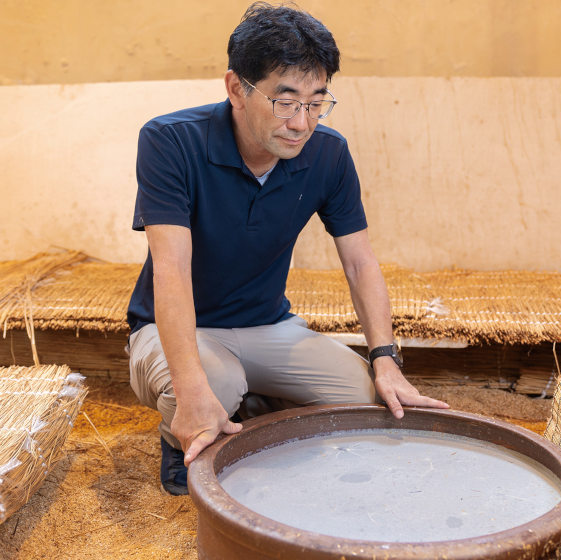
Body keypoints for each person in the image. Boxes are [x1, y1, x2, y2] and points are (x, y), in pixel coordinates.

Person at [126, 2, 448, 495]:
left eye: (317, 102)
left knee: (364, 396)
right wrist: (192, 393)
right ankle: (182, 437)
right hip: (176, 329)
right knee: (212, 385)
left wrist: (386, 358)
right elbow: (171, 270)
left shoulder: (329, 153)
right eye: (286, 100)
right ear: (236, 88)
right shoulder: (170, 141)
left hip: (268, 326)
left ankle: (247, 403)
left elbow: (360, 263)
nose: (302, 122)